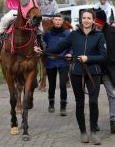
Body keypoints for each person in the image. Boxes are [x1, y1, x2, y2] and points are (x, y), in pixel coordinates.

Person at [35, 9, 106, 145]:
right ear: (81, 20)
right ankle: (83, 132)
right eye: (84, 18)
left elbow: (104, 56)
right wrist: (43, 51)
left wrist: (88, 58)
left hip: (93, 73)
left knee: (93, 102)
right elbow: (59, 48)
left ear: (93, 20)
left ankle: (94, 132)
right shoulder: (74, 35)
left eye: (89, 18)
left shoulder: (99, 36)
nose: (86, 20)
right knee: (79, 103)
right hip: (77, 72)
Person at [94, 10, 115, 134]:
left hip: (109, 68)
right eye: (96, 23)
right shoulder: (90, 31)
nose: (97, 26)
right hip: (94, 68)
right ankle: (94, 122)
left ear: (104, 22)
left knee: (112, 94)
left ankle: (114, 120)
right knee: (93, 97)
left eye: (99, 24)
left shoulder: (113, 31)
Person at [43, 14, 71, 116]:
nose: (58, 21)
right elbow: (43, 44)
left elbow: (71, 46)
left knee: (63, 85)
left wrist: (70, 53)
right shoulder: (47, 34)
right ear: (53, 21)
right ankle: (51, 103)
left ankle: (63, 106)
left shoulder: (67, 34)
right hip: (51, 61)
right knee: (52, 86)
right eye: (56, 20)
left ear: (62, 21)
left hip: (63, 61)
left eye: (60, 20)